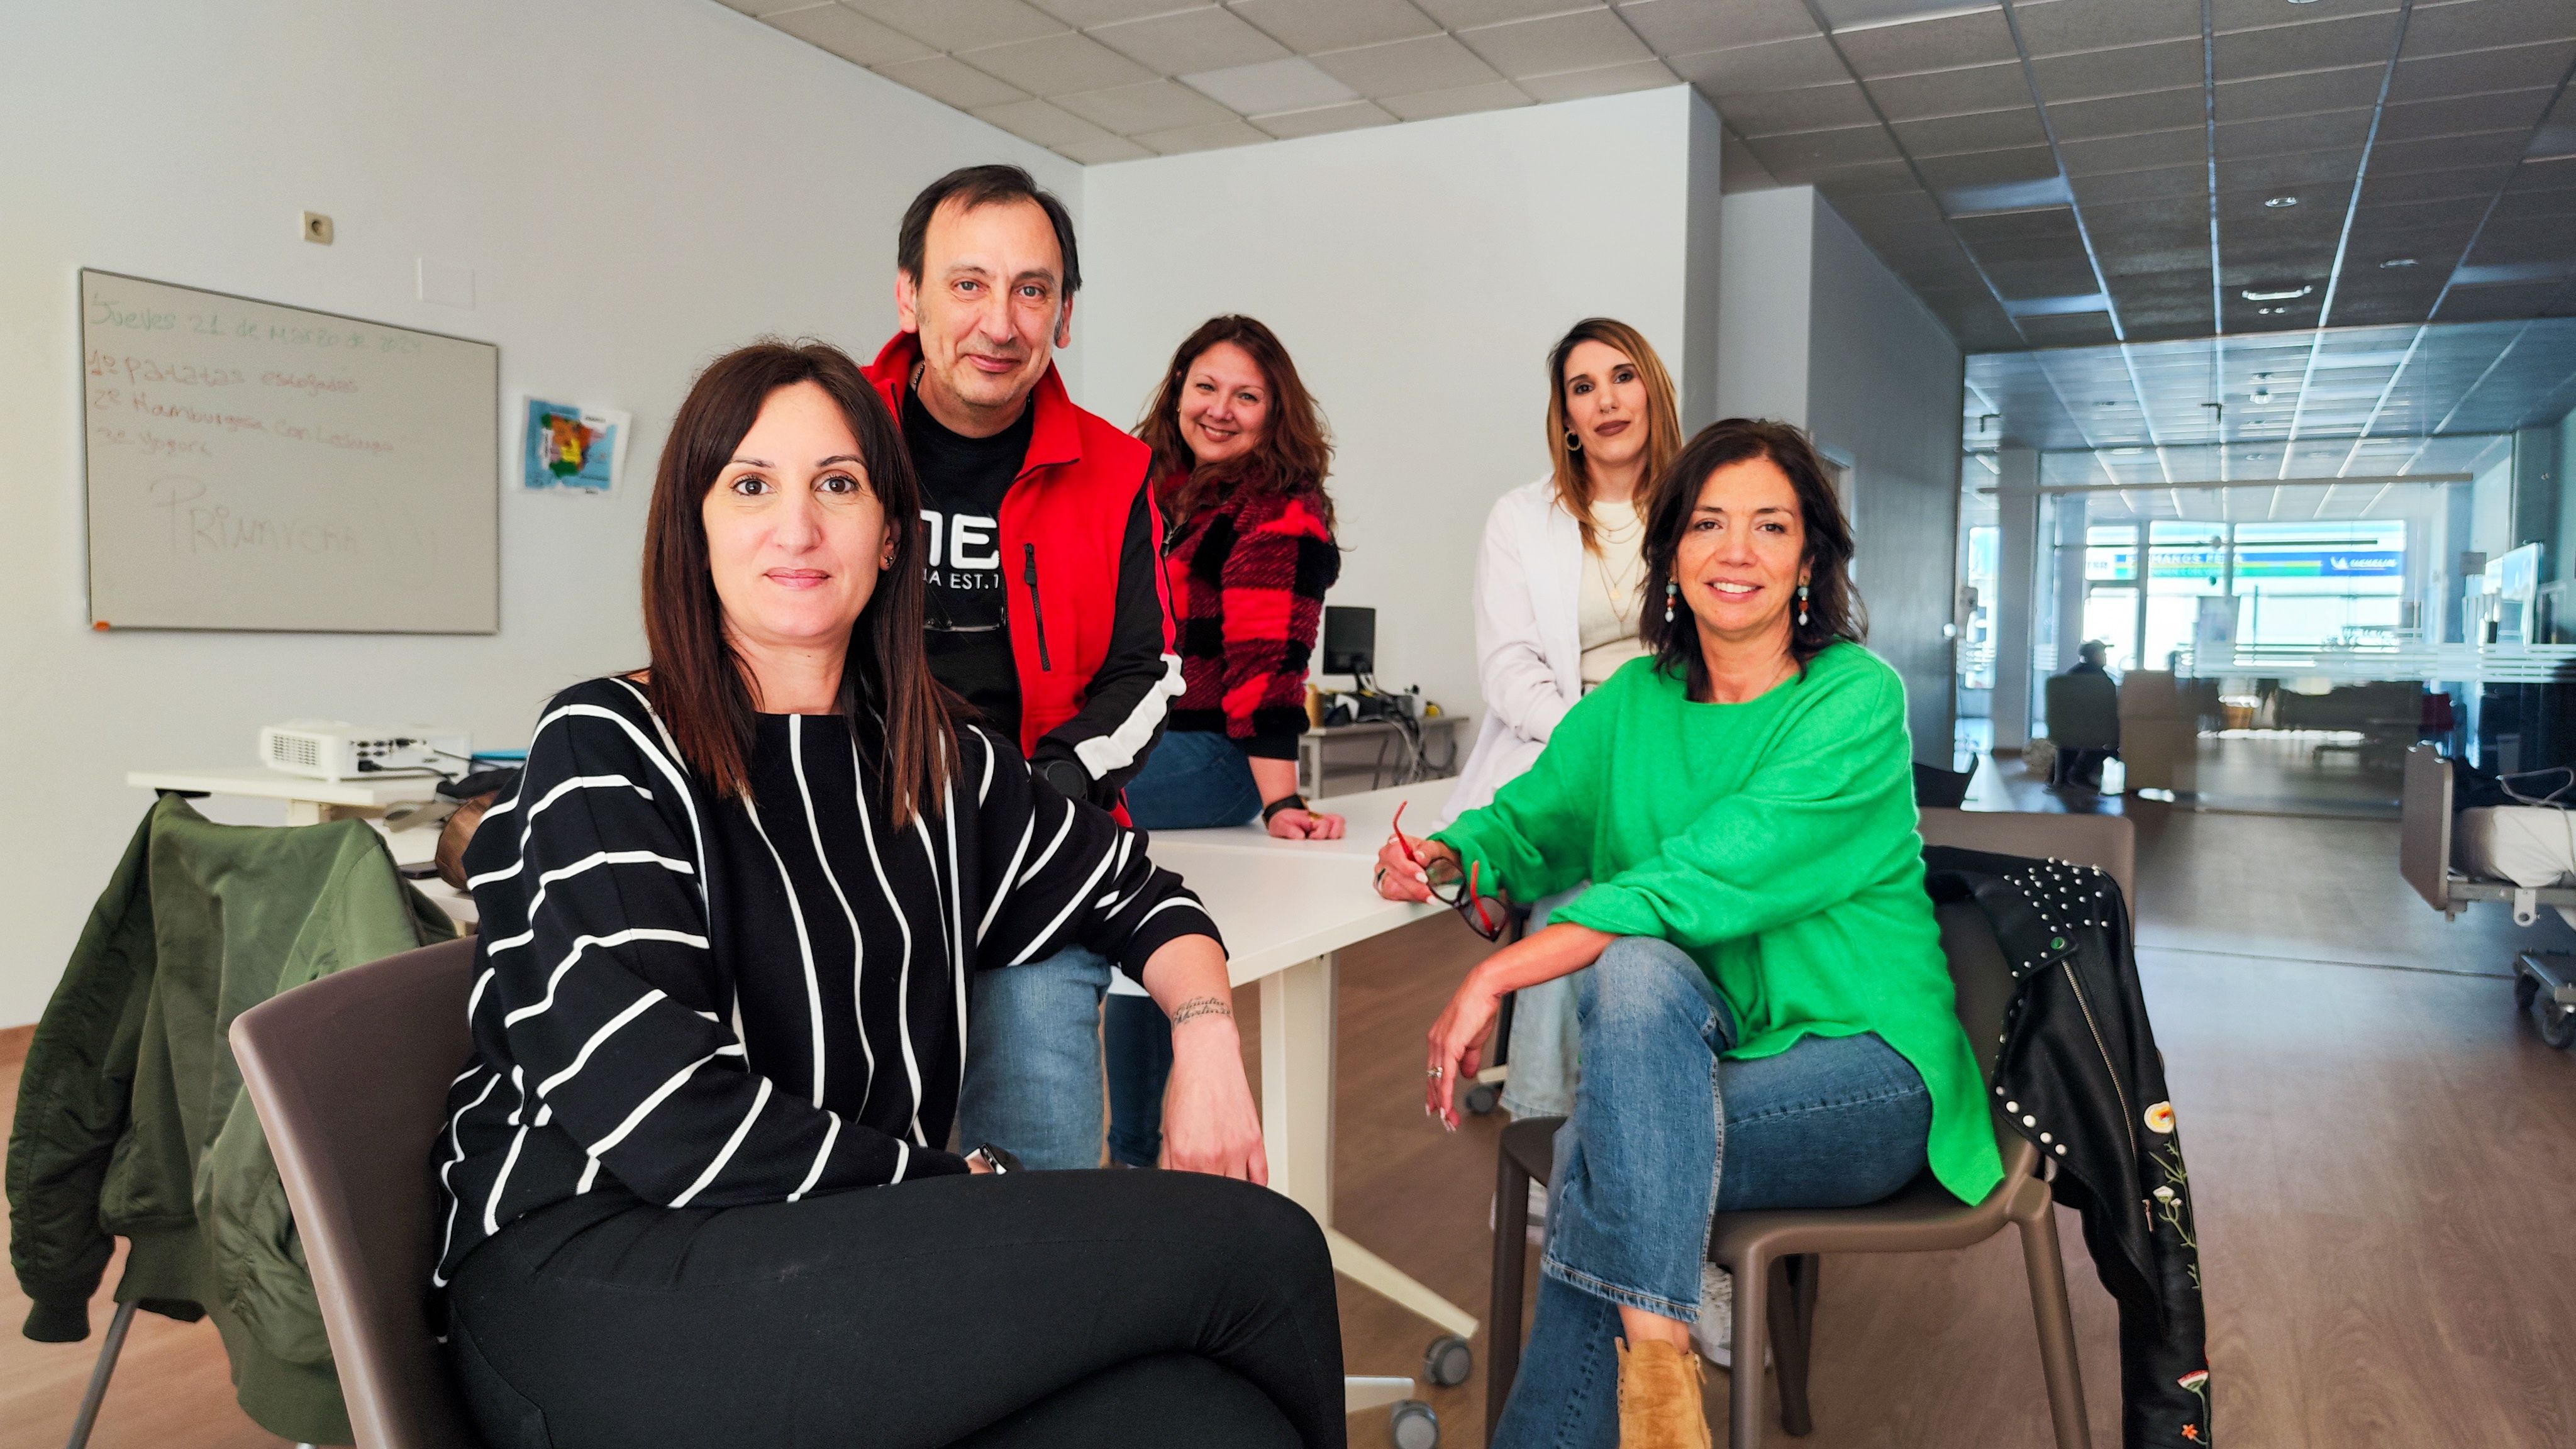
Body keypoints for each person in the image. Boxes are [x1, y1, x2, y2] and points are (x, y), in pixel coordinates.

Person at [436, 341, 1344, 1449]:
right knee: (1261, 1247)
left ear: (890, 536)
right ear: (697, 527)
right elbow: (667, 1120)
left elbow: (1136, 893)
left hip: (838, 1253)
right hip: (598, 1280)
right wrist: (950, 1180)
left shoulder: (937, 758)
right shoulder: (609, 740)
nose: (798, 526)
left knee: (1206, 1422)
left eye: (837, 483)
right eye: (751, 484)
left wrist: (1204, 1037)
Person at [1375, 419, 2002, 1449]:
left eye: (1769, 524)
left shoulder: (1856, 700)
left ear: (1810, 557)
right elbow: (1531, 821)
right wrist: (1451, 853)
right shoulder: (1633, 703)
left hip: (1869, 1065)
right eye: (1708, 522)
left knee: (1604, 1144)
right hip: (1693, 1049)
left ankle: (1632, 1406)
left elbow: (1707, 871)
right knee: (1634, 978)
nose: (1736, 550)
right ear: (1672, 553)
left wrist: (1505, 971)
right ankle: (1661, 1380)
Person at [863, 164, 1185, 1170]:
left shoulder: (1120, 471)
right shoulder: (831, 437)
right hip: (853, 842)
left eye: (1031, 289)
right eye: (968, 284)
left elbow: (1150, 670)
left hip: (1036, 852)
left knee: (1039, 1185)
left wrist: (1048, 791)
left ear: (1065, 315)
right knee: (841, 1187)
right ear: (908, 295)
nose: (1000, 322)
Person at [1103, 317, 1345, 1169]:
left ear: (1273, 413)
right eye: (1205, 387)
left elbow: (1267, 662)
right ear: (1177, 393)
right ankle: (1136, 1156)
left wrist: (1280, 798)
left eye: (1246, 395)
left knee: (1036, 800)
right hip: (1146, 742)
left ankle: (1145, 1161)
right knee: (1136, 933)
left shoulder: (1279, 510)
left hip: (1211, 759)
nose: (1219, 409)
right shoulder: (1153, 491)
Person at [1444, 319, 1684, 1125]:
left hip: (1677, 755)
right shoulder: (1520, 517)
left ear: (1652, 388)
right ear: (1565, 417)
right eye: (1583, 388)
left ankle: (1644, 1134)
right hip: (1561, 751)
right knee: (1572, 904)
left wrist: (1651, 751)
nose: (1606, 401)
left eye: (1622, 377)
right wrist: (1595, 744)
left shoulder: (1699, 508)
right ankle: (1545, 1139)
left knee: (1660, 914)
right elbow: (1510, 668)